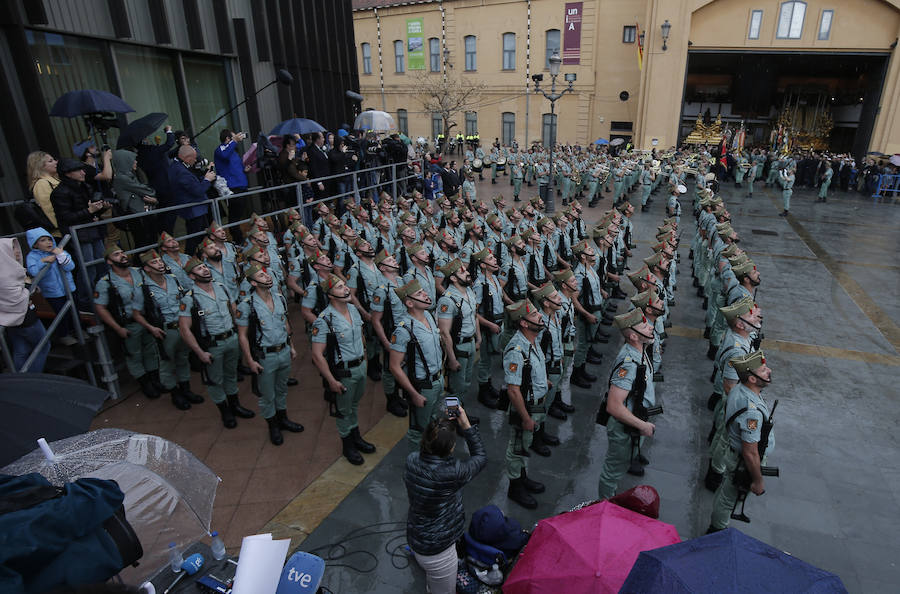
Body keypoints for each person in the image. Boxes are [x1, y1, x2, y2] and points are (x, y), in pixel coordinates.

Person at [404, 408, 485, 594]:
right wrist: (466, 425)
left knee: (434, 580)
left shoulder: (411, 460)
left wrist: (444, 427)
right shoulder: (452, 473)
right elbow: (480, 457)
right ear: (450, 448)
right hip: (438, 551)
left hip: (417, 535)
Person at [179, 257, 254, 429]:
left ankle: (235, 405)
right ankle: (225, 411)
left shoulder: (221, 287)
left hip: (231, 338)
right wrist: (199, 352)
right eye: (199, 269)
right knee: (215, 380)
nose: (205, 270)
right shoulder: (189, 299)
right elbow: (184, 329)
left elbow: (233, 310)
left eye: (205, 266)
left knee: (231, 374)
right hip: (212, 345)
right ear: (191, 276)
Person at [310, 274, 375, 465]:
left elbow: (361, 336)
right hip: (343, 372)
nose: (346, 289)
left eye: (345, 285)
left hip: (360, 366)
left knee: (354, 405)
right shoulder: (325, 320)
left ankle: (356, 438)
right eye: (339, 287)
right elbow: (316, 354)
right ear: (330, 294)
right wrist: (331, 380)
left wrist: (364, 359)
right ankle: (348, 445)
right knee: (343, 410)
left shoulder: (353, 310)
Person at [707, 350, 775, 533]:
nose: (768, 371)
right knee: (729, 498)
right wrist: (758, 480)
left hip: (735, 455)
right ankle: (716, 531)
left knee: (726, 493)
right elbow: (750, 452)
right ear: (751, 379)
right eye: (763, 370)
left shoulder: (739, 389)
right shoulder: (751, 410)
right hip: (742, 463)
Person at [236, 263, 304, 445]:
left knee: (281, 389)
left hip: (283, 350)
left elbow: (286, 324)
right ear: (253, 283)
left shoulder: (279, 298)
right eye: (261, 276)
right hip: (265, 356)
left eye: (266, 274)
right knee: (267, 395)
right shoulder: (246, 305)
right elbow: (242, 336)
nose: (267, 277)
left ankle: (283, 419)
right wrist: (250, 361)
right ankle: (273, 426)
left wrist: (292, 346)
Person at [597, 308, 657, 500]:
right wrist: (643, 425)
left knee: (620, 465)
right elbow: (613, 406)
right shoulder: (629, 363)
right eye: (645, 326)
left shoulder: (641, 351)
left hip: (633, 421)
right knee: (612, 472)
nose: (651, 327)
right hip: (625, 427)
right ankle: (604, 506)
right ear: (633, 336)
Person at [131, 249, 202, 411]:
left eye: (160, 261)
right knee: (166, 363)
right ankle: (175, 393)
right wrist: (151, 328)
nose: (160, 265)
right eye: (154, 263)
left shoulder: (173, 279)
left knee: (183, 358)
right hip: (165, 330)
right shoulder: (143, 288)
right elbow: (136, 313)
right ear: (147, 268)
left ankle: (186, 389)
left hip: (182, 327)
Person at [93, 245, 162, 398]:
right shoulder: (106, 282)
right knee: (134, 355)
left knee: (151, 350)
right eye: (117, 254)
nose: (123, 255)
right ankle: (145, 384)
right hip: (129, 324)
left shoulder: (139, 273)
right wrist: (117, 328)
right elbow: (101, 308)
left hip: (147, 320)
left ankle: (155, 380)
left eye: (122, 252)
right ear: (109, 261)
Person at [503, 299, 550, 509]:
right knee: (516, 448)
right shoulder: (516, 349)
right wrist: (525, 417)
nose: (540, 316)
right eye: (534, 315)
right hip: (526, 409)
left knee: (524, 446)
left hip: (536, 405)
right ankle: (515, 486)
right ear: (523, 323)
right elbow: (513, 390)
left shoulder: (533, 340)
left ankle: (522, 477)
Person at [389, 279, 444, 449]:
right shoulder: (404, 330)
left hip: (437, 380)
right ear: (410, 303)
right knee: (418, 429)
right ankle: (416, 464)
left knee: (433, 420)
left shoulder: (428, 315)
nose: (426, 294)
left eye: (423, 291)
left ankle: (431, 453)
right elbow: (394, 366)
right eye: (419, 293)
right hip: (422, 385)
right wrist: (413, 393)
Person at [50, 158, 110, 290]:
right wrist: (89, 211)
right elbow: (65, 218)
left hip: (92, 230)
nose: (83, 173)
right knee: (89, 269)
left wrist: (101, 208)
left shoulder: (85, 186)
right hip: (79, 235)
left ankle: (105, 296)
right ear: (67, 173)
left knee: (103, 265)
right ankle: (86, 301)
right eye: (78, 170)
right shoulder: (59, 193)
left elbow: (91, 211)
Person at [0, 238, 51, 372]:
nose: (17, 252)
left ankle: (21, 380)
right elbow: (15, 297)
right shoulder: (6, 274)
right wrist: (28, 286)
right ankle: (33, 379)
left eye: (16, 247)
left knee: (21, 350)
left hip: (9, 319)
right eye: (12, 249)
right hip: (25, 318)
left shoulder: (8, 269)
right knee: (43, 346)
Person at [25, 227, 77, 345]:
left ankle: (78, 330)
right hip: (52, 292)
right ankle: (64, 335)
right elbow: (33, 272)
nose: (48, 242)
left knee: (74, 311)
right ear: (35, 245)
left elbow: (70, 267)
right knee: (61, 314)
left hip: (69, 287)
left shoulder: (58, 251)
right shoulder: (32, 256)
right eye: (43, 240)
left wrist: (61, 255)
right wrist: (43, 261)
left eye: (49, 239)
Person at [168, 145, 216, 254]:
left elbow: (192, 183)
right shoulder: (181, 171)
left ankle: (201, 257)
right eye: (194, 158)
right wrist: (207, 180)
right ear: (187, 158)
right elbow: (197, 190)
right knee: (194, 239)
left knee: (202, 236)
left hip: (195, 209)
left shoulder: (178, 167)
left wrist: (204, 177)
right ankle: (190, 259)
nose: (195, 161)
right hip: (193, 210)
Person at [111, 149, 158, 249]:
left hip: (143, 214)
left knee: (150, 242)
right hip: (136, 216)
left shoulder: (131, 175)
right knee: (144, 244)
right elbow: (148, 191)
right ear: (125, 161)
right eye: (132, 160)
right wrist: (151, 194)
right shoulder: (122, 178)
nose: (136, 162)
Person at [214, 129, 251, 244]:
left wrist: (244, 170)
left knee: (238, 214)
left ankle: (239, 239)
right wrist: (234, 141)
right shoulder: (221, 149)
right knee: (234, 216)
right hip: (232, 188)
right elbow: (224, 156)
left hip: (241, 186)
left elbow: (233, 168)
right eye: (234, 136)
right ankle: (238, 240)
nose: (238, 137)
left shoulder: (233, 152)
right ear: (227, 138)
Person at [25, 151, 61, 238]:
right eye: (50, 161)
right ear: (40, 165)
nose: (56, 162)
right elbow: (49, 210)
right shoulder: (42, 183)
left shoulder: (54, 180)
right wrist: (62, 226)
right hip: (61, 232)